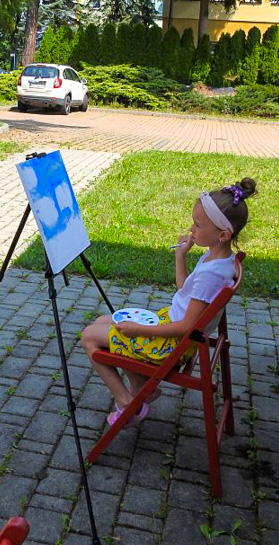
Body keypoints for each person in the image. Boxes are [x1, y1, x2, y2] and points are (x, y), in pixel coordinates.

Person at [81, 179, 257, 428]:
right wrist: (180, 256)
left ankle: (128, 403)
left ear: (223, 234)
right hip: (173, 329)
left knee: (89, 337)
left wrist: (138, 329)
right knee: (103, 322)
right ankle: (143, 388)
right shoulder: (219, 259)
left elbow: (186, 326)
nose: (192, 229)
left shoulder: (212, 274)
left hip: (171, 344)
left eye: (198, 225)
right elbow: (184, 289)